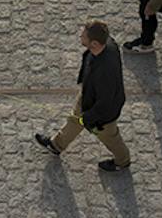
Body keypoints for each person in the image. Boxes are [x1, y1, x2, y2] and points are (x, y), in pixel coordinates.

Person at [35, 19, 130, 171]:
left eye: (83, 36)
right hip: (88, 96)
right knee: (74, 120)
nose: (80, 37)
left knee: (110, 138)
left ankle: (122, 161)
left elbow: (105, 103)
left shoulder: (105, 73)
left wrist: (88, 118)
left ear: (94, 44)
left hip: (103, 115)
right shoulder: (106, 42)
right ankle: (56, 145)